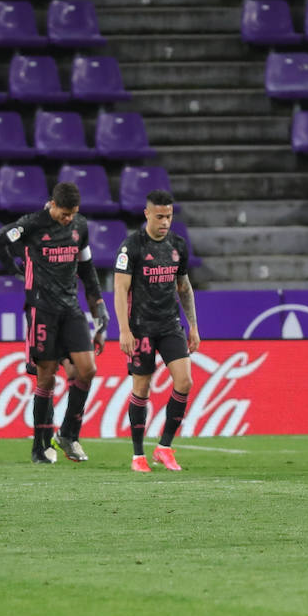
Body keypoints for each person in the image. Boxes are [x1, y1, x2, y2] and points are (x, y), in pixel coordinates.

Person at [0, 183, 107, 464]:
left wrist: (98, 308)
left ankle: (69, 435)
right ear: (52, 204)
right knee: (47, 377)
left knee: (88, 369)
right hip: (41, 310)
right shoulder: (31, 224)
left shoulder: (80, 227)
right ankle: (40, 446)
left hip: (71, 309)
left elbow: (87, 268)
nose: (67, 219)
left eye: (72, 214)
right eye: (64, 213)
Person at [112, 190, 199, 473]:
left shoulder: (178, 245)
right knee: (142, 388)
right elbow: (120, 288)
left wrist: (193, 326)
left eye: (169, 216)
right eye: (160, 216)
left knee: (184, 382)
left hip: (170, 325)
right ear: (147, 214)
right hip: (141, 329)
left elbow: (184, 287)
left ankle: (164, 447)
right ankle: (138, 455)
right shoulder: (132, 246)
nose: (165, 222)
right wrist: (124, 330)